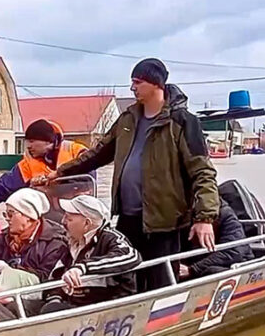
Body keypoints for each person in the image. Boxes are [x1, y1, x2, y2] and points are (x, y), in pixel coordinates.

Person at [39, 58, 220, 291]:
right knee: (125, 277)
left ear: (157, 84)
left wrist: (204, 218)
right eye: (132, 82)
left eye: (138, 82)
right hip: (127, 217)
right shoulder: (128, 119)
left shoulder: (183, 122)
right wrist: (60, 172)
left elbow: (203, 172)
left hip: (164, 221)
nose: (132, 87)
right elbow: (98, 153)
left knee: (161, 281)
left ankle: (165, 319)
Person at [38, 195, 141, 314]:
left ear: (87, 223)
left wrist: (82, 268)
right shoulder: (71, 242)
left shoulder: (110, 238)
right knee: (18, 306)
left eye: (69, 219)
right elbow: (56, 275)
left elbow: (131, 255)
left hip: (108, 308)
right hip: (74, 306)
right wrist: (55, 298)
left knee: (49, 310)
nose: (63, 222)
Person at [0, 188, 70, 290]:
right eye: (5, 214)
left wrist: (11, 270)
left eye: (11, 214)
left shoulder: (55, 242)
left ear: (28, 216)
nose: (7, 219)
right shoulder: (4, 237)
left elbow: (47, 277)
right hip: (0, 293)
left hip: (34, 297)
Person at [180, 199, 253, 279]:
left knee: (212, 272)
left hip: (232, 265)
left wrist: (193, 269)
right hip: (199, 266)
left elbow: (234, 252)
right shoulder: (183, 217)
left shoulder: (225, 214)